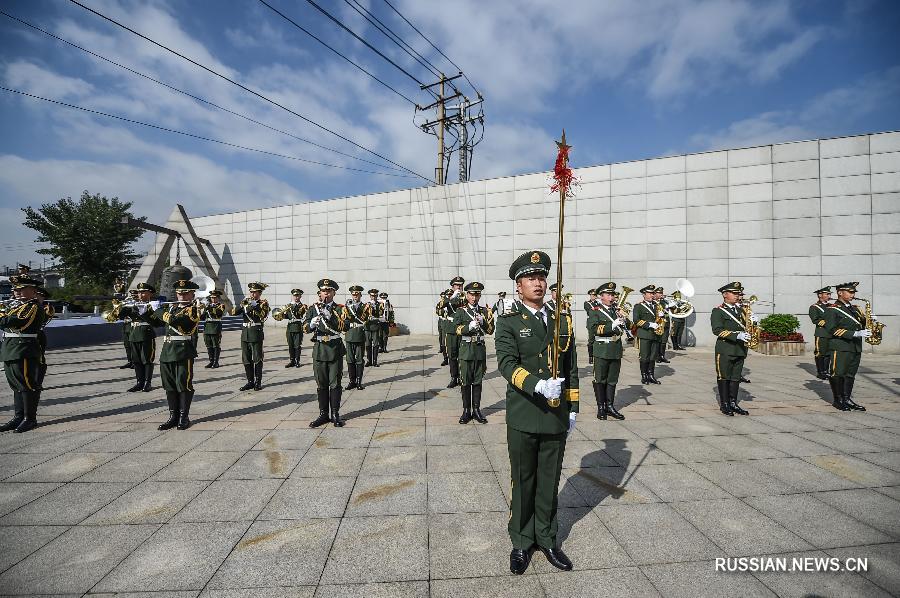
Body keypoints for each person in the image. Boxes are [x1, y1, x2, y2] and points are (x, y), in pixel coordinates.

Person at [495, 251, 578, 575]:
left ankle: (547, 538)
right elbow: (506, 364)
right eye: (531, 278)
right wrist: (537, 385)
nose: (538, 283)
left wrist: (573, 409)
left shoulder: (563, 320)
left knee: (549, 480)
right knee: (523, 480)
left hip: (556, 415)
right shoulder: (509, 321)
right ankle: (521, 541)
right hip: (525, 413)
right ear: (518, 286)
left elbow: (570, 369)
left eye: (542, 277)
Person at [0, 275, 53, 432]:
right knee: (16, 385)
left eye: (22, 289)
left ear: (33, 291)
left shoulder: (33, 307)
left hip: (23, 348)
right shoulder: (17, 306)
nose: (18, 291)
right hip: (11, 347)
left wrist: (3, 315)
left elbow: (13, 323)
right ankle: (18, 417)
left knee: (27, 384)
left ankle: (30, 418)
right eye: (16, 289)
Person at [149, 280, 201, 430]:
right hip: (167, 350)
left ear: (192, 294)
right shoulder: (171, 308)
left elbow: (175, 321)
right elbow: (158, 323)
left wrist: (158, 310)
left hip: (183, 351)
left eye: (185, 293)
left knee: (183, 384)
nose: (181, 296)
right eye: (179, 293)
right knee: (169, 385)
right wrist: (146, 312)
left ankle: (184, 417)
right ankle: (173, 416)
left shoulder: (193, 310)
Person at [304, 279, 349, 427]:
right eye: (324, 291)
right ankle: (323, 414)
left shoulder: (340, 309)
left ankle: (335, 414)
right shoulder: (313, 308)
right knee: (321, 383)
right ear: (320, 292)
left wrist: (331, 317)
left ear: (334, 293)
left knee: (335, 383)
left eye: (329, 291)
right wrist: (311, 324)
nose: (326, 293)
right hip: (319, 349)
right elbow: (304, 327)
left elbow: (346, 326)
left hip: (334, 349)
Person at [452, 281, 495, 424]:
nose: (474, 298)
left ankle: (476, 410)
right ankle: (466, 410)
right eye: (471, 294)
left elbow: (490, 331)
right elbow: (456, 329)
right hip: (466, 350)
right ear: (467, 295)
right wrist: (468, 327)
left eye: (477, 295)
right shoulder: (460, 311)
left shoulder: (485, 311)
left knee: (477, 380)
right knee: (465, 381)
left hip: (479, 350)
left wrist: (483, 322)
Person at [824, 282, 870, 412]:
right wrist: (854, 333)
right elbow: (831, 329)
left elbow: (859, 324)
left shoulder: (855, 309)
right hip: (841, 346)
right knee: (838, 373)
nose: (852, 295)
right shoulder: (832, 309)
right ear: (840, 293)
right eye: (850, 292)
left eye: (853, 292)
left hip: (855, 346)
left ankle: (847, 399)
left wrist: (870, 321)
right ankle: (838, 400)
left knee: (850, 374)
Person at [710, 281, 751, 416]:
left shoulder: (742, 310)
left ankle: (733, 403)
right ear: (725, 294)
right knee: (724, 376)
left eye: (738, 293)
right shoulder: (718, 311)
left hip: (740, 349)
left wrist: (753, 322)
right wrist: (736, 335)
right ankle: (725, 404)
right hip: (725, 349)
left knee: (735, 378)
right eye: (734, 293)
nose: (737, 296)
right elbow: (717, 330)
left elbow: (746, 327)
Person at [588, 282, 626, 420]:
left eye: (613, 295)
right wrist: (612, 324)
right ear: (601, 296)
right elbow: (593, 329)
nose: (612, 297)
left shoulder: (616, 310)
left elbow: (630, 327)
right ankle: (601, 407)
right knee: (600, 379)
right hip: (602, 349)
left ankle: (610, 406)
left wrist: (624, 320)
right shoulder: (595, 311)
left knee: (612, 380)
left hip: (615, 349)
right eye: (609, 295)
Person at [114, 283, 158, 393]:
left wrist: (144, 311)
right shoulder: (133, 304)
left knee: (147, 360)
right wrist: (120, 308)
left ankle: (148, 383)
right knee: (136, 360)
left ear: (150, 293)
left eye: (143, 292)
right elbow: (121, 316)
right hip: (133, 334)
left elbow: (156, 321)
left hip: (146, 334)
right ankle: (139, 383)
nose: (140, 294)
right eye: (139, 292)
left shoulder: (153, 305)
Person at [232, 282, 270, 391]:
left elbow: (263, 315)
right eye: (251, 292)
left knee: (257, 358)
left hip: (255, 332)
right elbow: (234, 313)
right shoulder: (246, 303)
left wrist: (254, 305)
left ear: (260, 293)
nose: (252, 294)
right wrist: (242, 305)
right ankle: (250, 382)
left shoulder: (263, 303)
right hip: (245, 333)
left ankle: (258, 382)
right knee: (246, 358)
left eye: (255, 292)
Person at [437, 276, 466, 387]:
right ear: (452, 286)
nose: (459, 287)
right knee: (452, 355)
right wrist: (451, 297)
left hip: (463, 330)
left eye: (460, 285)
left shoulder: (466, 297)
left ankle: (463, 377)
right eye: (456, 285)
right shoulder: (448, 298)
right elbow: (439, 307)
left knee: (463, 355)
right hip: (451, 330)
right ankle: (454, 377)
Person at [633, 284, 662, 385]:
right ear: (644, 295)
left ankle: (651, 375)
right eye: (649, 293)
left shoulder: (657, 306)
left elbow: (660, 319)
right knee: (645, 356)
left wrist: (662, 317)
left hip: (655, 334)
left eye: (652, 293)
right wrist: (649, 324)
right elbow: (636, 320)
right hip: (644, 334)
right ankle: (644, 376)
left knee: (653, 356)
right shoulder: (638, 306)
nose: (651, 295)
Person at [344, 285, 369, 390]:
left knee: (359, 359)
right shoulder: (347, 307)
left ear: (360, 295)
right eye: (353, 294)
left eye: (357, 294)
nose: (355, 296)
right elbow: (345, 320)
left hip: (359, 334)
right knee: (350, 359)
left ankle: (359, 381)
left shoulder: (365, 307)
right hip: (349, 334)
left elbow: (365, 318)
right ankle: (352, 381)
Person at [809, 286, 833, 380]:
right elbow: (816, 320)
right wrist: (829, 322)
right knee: (820, 353)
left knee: (828, 353)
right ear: (820, 295)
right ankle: (820, 372)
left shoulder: (832, 306)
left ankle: (826, 371)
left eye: (829, 294)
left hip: (831, 333)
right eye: (827, 294)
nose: (829, 295)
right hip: (822, 333)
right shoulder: (814, 307)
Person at [281, 289, 308, 368]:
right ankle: (292, 360)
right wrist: (281, 315)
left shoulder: (302, 306)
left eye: (298, 296)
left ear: (300, 296)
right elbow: (287, 316)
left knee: (297, 345)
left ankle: (297, 361)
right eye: (295, 296)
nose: (296, 297)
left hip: (297, 327)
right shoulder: (289, 305)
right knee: (290, 345)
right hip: (290, 327)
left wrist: (293, 306)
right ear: (293, 296)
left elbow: (300, 313)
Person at [200, 290, 226, 368]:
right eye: (212, 298)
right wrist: (199, 310)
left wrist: (208, 308)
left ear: (218, 298)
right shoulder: (208, 306)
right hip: (207, 327)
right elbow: (202, 318)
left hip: (215, 327)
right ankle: (211, 361)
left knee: (216, 345)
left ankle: (216, 362)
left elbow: (218, 313)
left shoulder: (221, 305)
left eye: (215, 298)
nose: (213, 299)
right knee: (209, 345)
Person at [364, 289, 384, 367]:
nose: (374, 297)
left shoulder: (380, 305)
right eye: (372, 295)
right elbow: (363, 315)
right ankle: (369, 360)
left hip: (375, 326)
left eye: (375, 295)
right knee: (368, 344)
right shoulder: (366, 304)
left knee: (375, 344)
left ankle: (375, 361)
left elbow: (381, 315)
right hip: (368, 327)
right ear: (370, 296)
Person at [654, 287, 671, 363]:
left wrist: (671, 306)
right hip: (659, 323)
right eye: (659, 293)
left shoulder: (664, 302)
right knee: (658, 341)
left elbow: (670, 311)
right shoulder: (653, 302)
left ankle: (662, 356)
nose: (661, 294)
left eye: (661, 293)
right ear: (655, 294)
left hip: (666, 323)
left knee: (664, 341)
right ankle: (657, 357)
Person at [583, 289, 599, 365]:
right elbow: (590, 311)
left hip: (599, 323)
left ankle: (597, 355)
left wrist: (595, 309)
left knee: (599, 340)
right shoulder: (587, 303)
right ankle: (590, 356)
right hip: (591, 324)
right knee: (591, 340)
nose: (594, 296)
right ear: (590, 295)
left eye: (595, 295)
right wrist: (597, 309)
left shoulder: (599, 303)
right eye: (592, 295)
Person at [436, 289, 450, 366]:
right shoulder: (440, 304)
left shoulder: (451, 303)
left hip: (449, 322)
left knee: (447, 341)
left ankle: (450, 358)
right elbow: (437, 311)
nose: (443, 298)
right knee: (442, 340)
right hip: (442, 321)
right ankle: (445, 358)